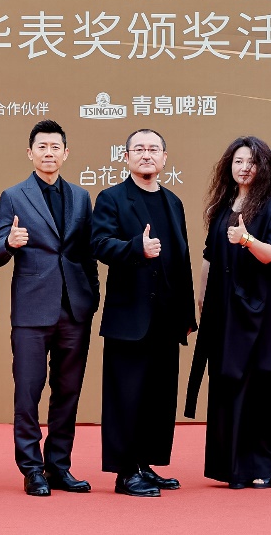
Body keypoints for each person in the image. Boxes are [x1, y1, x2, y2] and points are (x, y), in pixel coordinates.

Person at [0, 120, 98, 497]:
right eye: (42, 146)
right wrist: (10, 242)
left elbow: (87, 254)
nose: (49, 153)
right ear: (30, 152)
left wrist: (91, 298)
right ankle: (32, 469)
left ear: (65, 153)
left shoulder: (81, 197)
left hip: (74, 310)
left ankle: (59, 466)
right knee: (28, 392)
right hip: (32, 310)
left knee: (68, 392)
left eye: (55, 147)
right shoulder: (13, 196)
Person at [185, 136, 271, 489]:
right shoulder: (222, 206)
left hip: (259, 311)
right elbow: (209, 255)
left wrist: (247, 240)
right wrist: (202, 298)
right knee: (226, 383)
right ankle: (229, 466)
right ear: (228, 167)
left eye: (252, 162)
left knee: (262, 387)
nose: (245, 167)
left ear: (264, 167)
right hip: (222, 310)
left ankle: (263, 465)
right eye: (238, 161)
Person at [92, 128, 196, 498]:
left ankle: (145, 464)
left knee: (158, 397)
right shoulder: (111, 198)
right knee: (126, 396)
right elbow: (100, 244)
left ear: (164, 158)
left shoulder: (173, 202)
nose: (146, 154)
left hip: (167, 318)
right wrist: (137, 247)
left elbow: (182, 260)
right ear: (126, 157)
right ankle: (125, 472)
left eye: (153, 149)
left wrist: (187, 315)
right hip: (130, 318)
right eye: (139, 149)